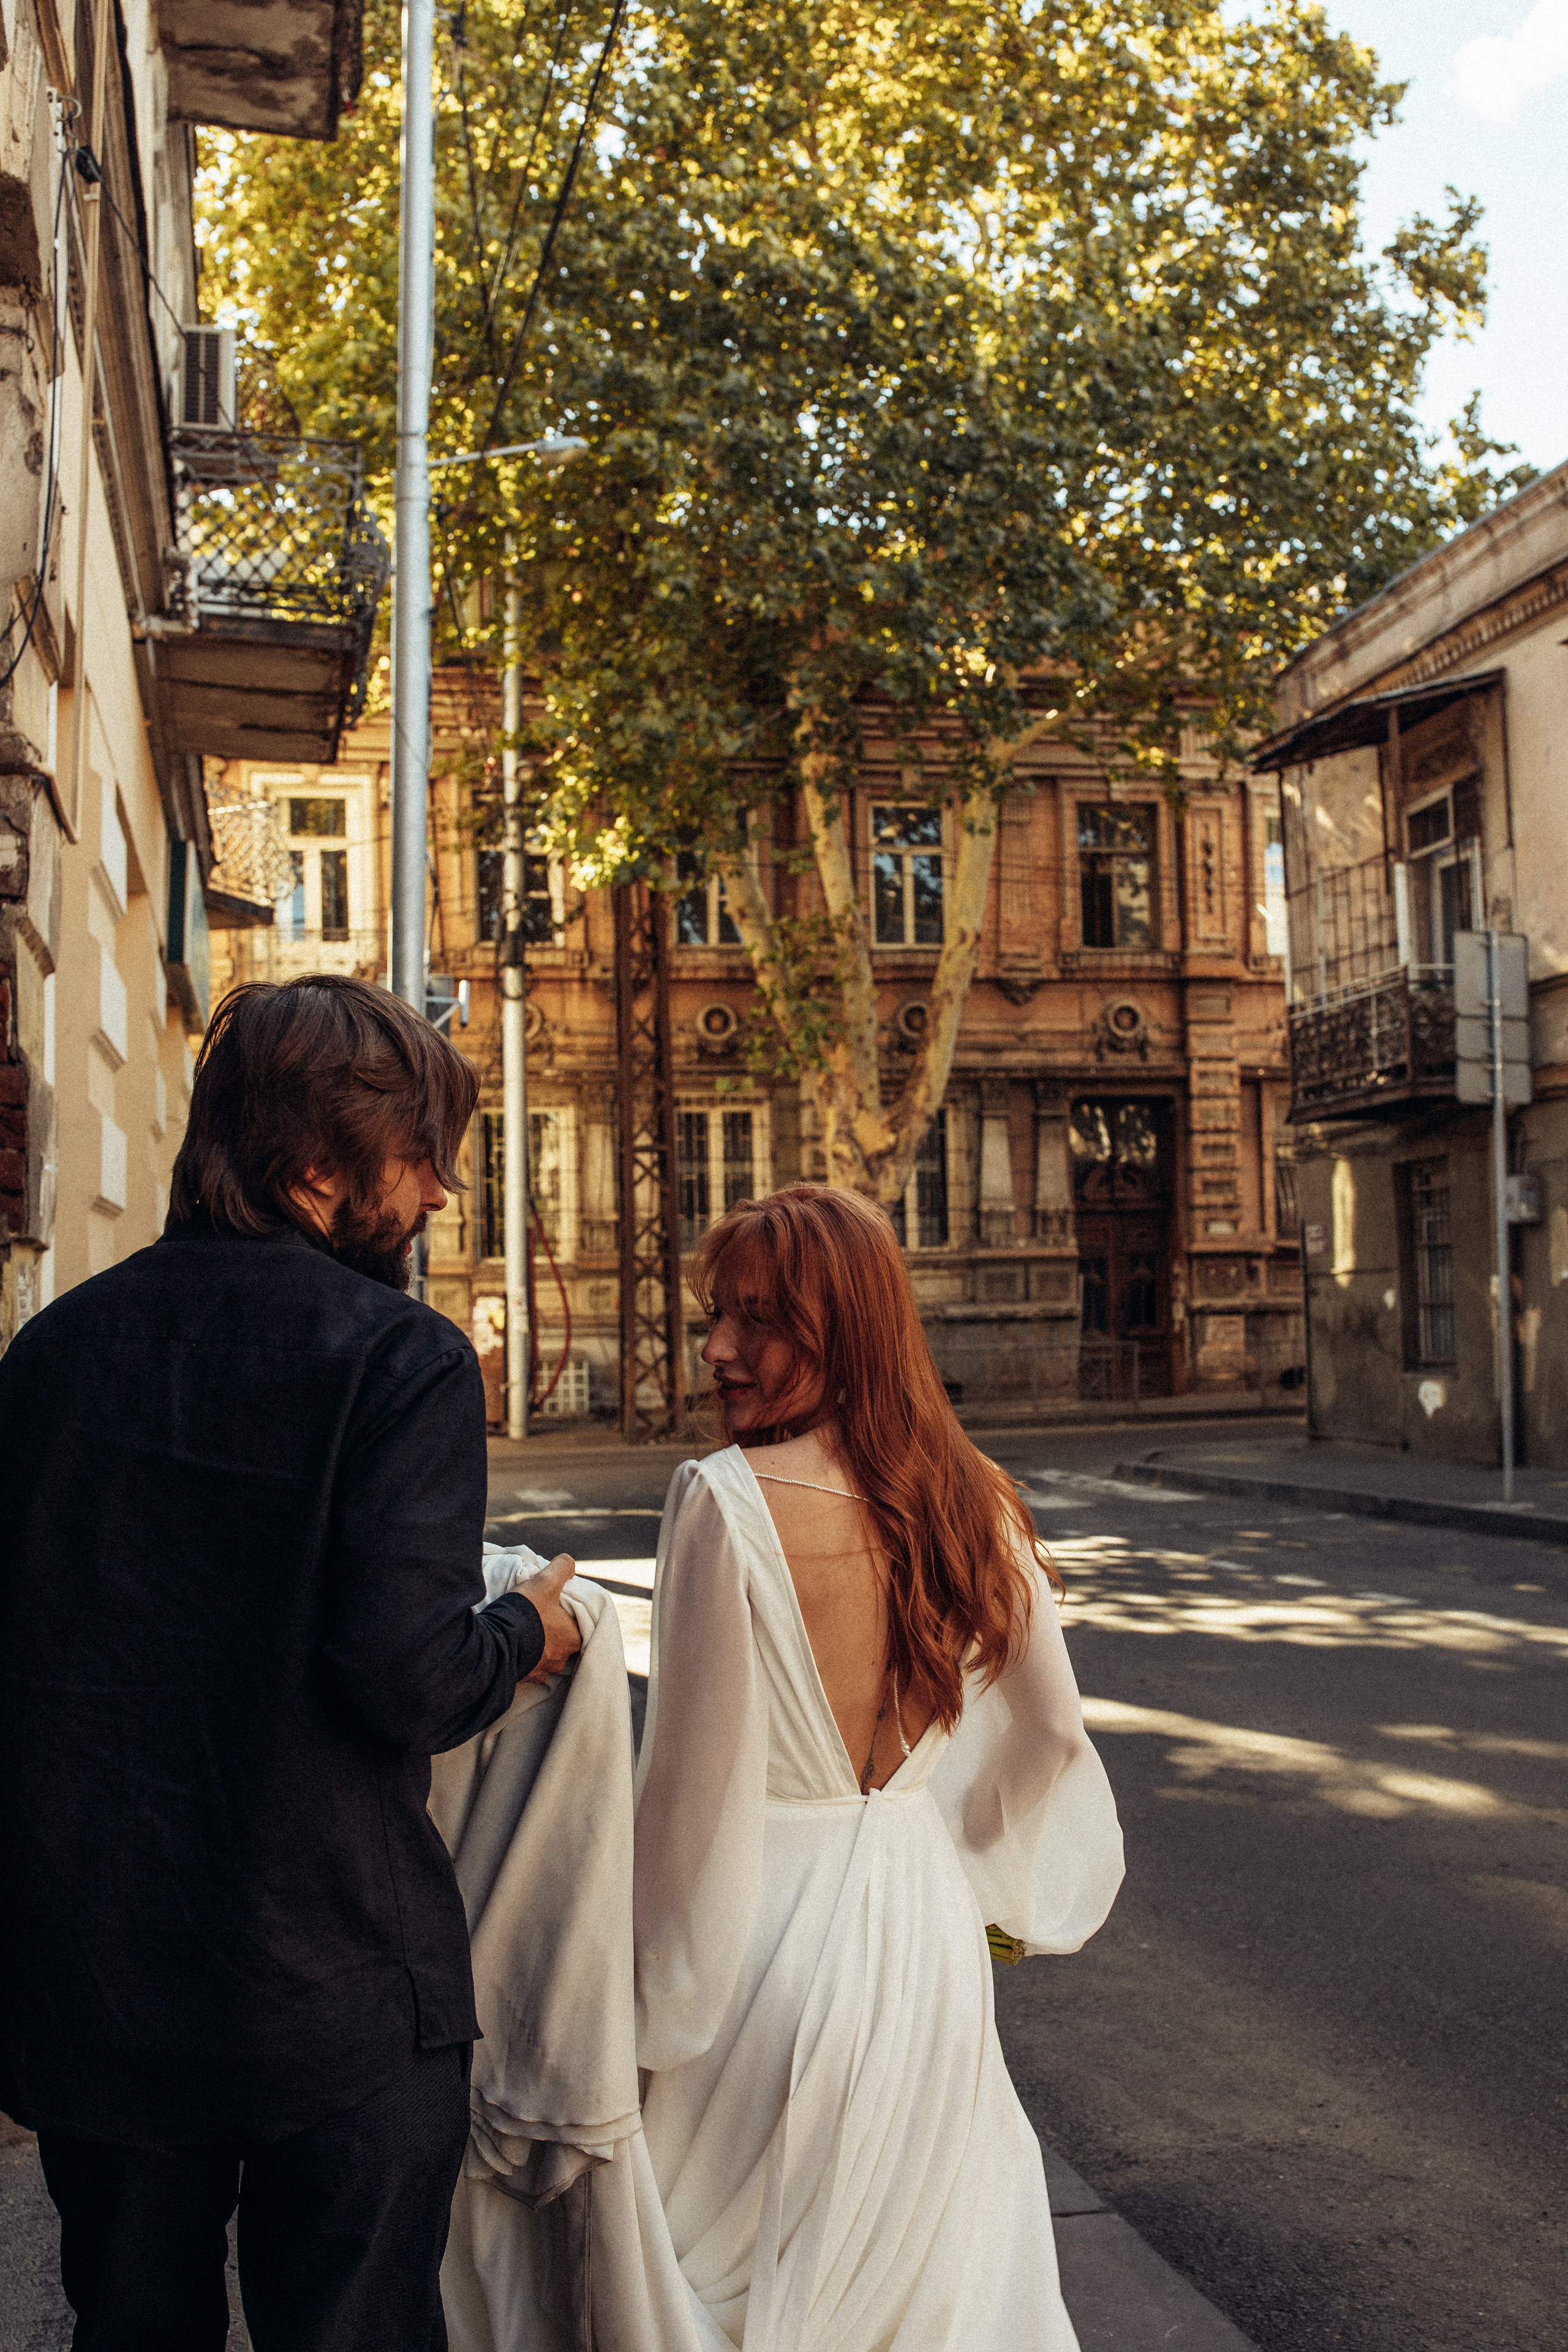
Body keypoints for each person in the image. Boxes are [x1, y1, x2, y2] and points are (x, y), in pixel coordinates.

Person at [0, 977, 581, 2352]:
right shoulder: (400, 1362)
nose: (440, 1193)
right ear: (318, 1165)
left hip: (95, 1983)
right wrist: (529, 1633)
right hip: (330, 1988)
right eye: (420, 1156)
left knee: (132, 2328)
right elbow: (411, 1676)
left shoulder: (47, 1351)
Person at [632, 1184, 1124, 2352]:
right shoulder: (973, 1497)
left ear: (840, 1329)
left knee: (714, 2281)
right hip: (925, 1946)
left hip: (757, 1960)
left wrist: (637, 2009)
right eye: (717, 1315)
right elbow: (1054, 1735)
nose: (717, 1348)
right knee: (930, 2291)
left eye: (757, 1321)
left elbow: (688, 1804)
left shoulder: (723, 1502)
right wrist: (964, 1872)